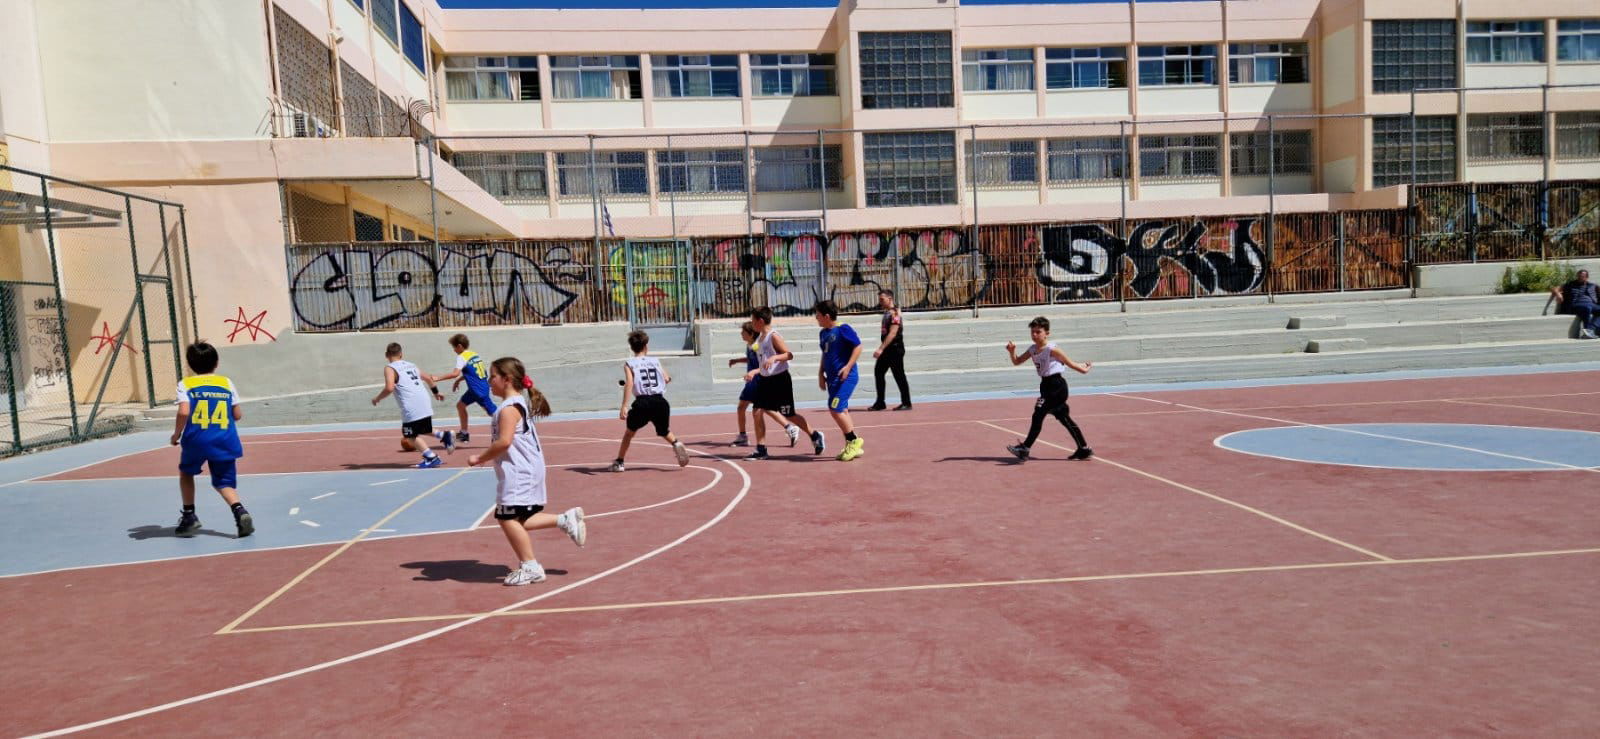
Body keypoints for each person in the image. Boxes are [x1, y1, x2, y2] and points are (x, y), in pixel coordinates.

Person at [467, 356, 587, 586]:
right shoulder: (515, 403)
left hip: (519, 471)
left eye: (492, 376)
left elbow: (504, 442)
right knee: (520, 518)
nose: (489, 381)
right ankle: (565, 520)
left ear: (507, 379)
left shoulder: (509, 408)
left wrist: (479, 457)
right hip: (524, 468)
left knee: (506, 517)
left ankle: (530, 567)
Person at [169, 341, 253, 538]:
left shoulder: (186, 384)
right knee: (224, 482)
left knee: (186, 473)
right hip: (225, 439)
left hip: (196, 439)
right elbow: (238, 415)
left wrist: (176, 434)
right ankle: (240, 511)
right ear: (216, 363)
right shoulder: (226, 383)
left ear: (190, 365)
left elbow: (183, 411)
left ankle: (189, 516)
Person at [1004, 317, 1093, 462]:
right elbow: (1017, 361)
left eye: (1038, 332)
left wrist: (1084, 369)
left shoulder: (1052, 349)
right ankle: (1083, 449)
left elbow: (1070, 363)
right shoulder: (1033, 349)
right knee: (1064, 418)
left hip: (1056, 386)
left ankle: (1024, 448)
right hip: (1046, 386)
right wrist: (1012, 351)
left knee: (1038, 414)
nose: (1034, 335)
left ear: (1047, 333)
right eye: (1032, 332)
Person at [743, 306, 825, 460]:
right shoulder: (760, 338)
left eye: (753, 320)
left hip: (780, 380)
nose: (751, 323)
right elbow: (763, 362)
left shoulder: (773, 336)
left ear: (760, 321)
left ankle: (815, 435)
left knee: (789, 414)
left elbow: (789, 354)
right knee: (757, 411)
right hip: (765, 380)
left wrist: (775, 358)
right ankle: (761, 449)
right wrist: (755, 372)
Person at [610, 330, 691, 473]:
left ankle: (619, 462)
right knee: (664, 431)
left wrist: (624, 405)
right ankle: (676, 443)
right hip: (660, 401)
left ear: (631, 347)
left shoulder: (629, 363)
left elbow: (629, 383)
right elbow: (666, 378)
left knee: (629, 433)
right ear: (646, 346)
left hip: (642, 403)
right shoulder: (655, 361)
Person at [371, 343, 448, 468]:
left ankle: (431, 457)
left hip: (411, 404)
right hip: (424, 400)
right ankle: (445, 436)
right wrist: (436, 392)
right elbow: (429, 378)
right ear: (401, 354)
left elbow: (390, 388)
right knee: (423, 429)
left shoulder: (390, 368)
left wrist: (377, 398)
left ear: (386, 355)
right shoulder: (411, 365)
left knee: (410, 435)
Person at [727, 321, 801, 448]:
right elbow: (750, 359)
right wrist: (737, 360)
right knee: (747, 408)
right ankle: (743, 436)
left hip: (758, 380)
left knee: (762, 408)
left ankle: (789, 428)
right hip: (752, 381)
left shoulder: (758, 345)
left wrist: (753, 372)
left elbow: (763, 365)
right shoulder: (750, 346)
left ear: (750, 334)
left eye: (743, 332)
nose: (741, 334)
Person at [814, 300, 865, 462]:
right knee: (842, 410)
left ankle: (853, 440)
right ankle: (853, 444)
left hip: (846, 377)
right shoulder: (823, 333)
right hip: (832, 379)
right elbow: (825, 355)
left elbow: (858, 347)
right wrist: (820, 373)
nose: (816, 318)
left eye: (818, 315)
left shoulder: (843, 329)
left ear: (827, 316)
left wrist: (848, 367)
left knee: (835, 408)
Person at [433, 333, 496, 443]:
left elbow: (454, 373)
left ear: (460, 346)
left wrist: (438, 378)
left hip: (478, 390)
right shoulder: (474, 354)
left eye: (454, 347)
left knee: (495, 414)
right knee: (460, 405)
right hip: (476, 388)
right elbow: (473, 373)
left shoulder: (461, 357)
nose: (454, 350)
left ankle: (510, 430)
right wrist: (458, 381)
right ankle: (464, 433)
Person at [868, 289, 911, 411]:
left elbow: (892, 333)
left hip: (895, 348)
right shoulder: (888, 313)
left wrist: (880, 349)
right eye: (880, 300)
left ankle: (906, 402)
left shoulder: (895, 313)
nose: (880, 302)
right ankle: (880, 402)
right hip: (888, 349)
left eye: (882, 299)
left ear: (890, 299)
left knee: (899, 375)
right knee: (878, 372)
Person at [1551, 268, 1599, 340]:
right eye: (1579, 276)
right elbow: (1554, 288)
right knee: (1587, 308)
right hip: (1575, 305)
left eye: (1582, 277)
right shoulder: (1570, 284)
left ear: (1587, 277)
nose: (1580, 278)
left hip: (1591, 304)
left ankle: (1590, 329)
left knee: (1591, 308)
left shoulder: (1593, 285)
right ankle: (1588, 331)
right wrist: (1558, 294)